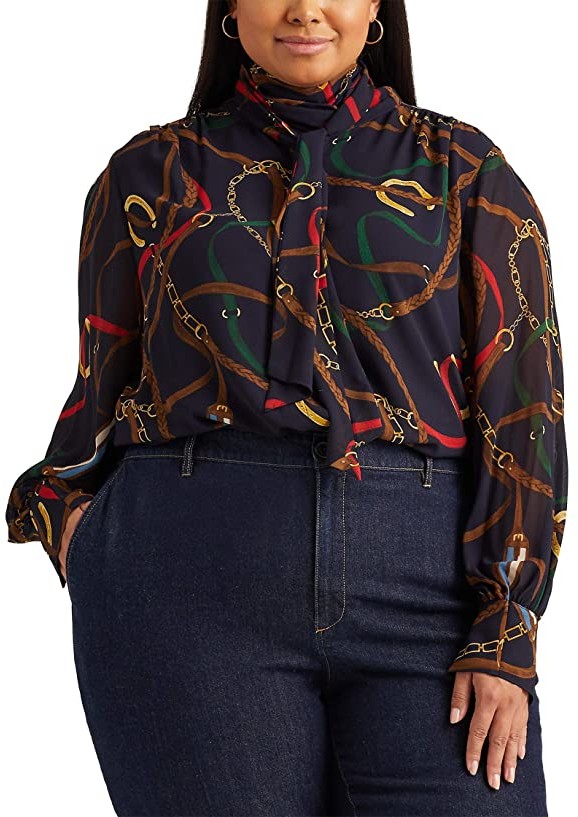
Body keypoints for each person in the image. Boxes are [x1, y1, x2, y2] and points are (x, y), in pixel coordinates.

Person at [5, 1, 567, 815]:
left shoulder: (466, 171)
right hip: (187, 583)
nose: (305, 9)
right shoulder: (149, 174)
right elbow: (100, 384)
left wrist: (507, 625)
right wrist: (76, 532)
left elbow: (525, 407)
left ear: (375, 6)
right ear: (231, 7)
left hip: (430, 592)